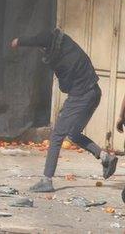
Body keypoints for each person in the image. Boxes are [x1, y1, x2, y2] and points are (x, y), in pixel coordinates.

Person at [11, 29, 117, 192]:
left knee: (57, 135)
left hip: (81, 96)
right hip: (95, 93)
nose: (42, 51)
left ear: (49, 47)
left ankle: (47, 180)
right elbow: (43, 38)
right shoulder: (68, 44)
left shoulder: (61, 62)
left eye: (43, 49)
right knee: (73, 134)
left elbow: (65, 87)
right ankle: (105, 157)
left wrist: (20, 41)